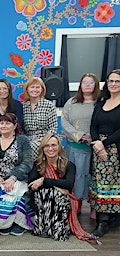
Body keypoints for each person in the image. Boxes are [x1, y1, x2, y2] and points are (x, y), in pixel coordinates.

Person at [28, 133, 93, 242]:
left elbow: (68, 185)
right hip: (42, 201)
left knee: (58, 196)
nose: (50, 149)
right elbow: (32, 184)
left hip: (62, 201)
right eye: (47, 146)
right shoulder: (38, 164)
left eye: (53, 145)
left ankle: (56, 228)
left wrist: (44, 180)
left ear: (59, 146)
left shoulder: (69, 165)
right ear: (43, 148)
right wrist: (56, 186)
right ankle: (47, 227)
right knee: (49, 193)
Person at [0, 113, 34, 235]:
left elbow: (27, 162)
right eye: (2, 123)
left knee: (16, 190)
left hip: (17, 178)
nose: (4, 126)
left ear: (15, 125)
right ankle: (2, 224)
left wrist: (13, 177)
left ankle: (17, 223)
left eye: (7, 123)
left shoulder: (23, 140)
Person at [61, 73, 100, 213]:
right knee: (75, 177)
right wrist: (78, 135)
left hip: (95, 147)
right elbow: (64, 121)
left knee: (92, 178)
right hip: (74, 147)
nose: (87, 85)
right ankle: (74, 207)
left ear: (96, 85)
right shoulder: (71, 102)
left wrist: (89, 138)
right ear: (80, 85)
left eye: (91, 82)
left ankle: (95, 209)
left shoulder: (101, 103)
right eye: (84, 82)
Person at [89, 69, 120, 237]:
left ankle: (108, 220)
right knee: (99, 185)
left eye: (117, 81)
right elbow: (93, 125)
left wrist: (104, 144)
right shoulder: (101, 103)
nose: (113, 84)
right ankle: (102, 220)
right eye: (111, 81)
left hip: (115, 149)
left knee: (112, 186)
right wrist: (96, 144)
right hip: (98, 149)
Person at [22, 77, 57, 152]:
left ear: (42, 90)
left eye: (37, 87)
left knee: (32, 149)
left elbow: (53, 128)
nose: (35, 90)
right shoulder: (23, 106)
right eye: (32, 87)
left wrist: (44, 139)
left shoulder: (49, 105)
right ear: (27, 89)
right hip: (27, 139)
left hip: (46, 139)